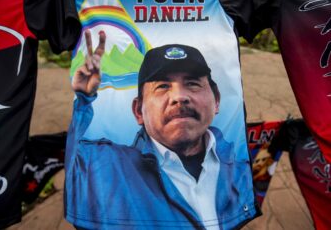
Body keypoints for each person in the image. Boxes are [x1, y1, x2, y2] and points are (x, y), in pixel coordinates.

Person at [65, 30, 260, 229]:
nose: (179, 97)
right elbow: (76, 167)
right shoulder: (108, 166)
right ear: (138, 111)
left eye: (192, 84)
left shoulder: (238, 168)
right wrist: (83, 99)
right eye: (163, 86)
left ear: (216, 100)